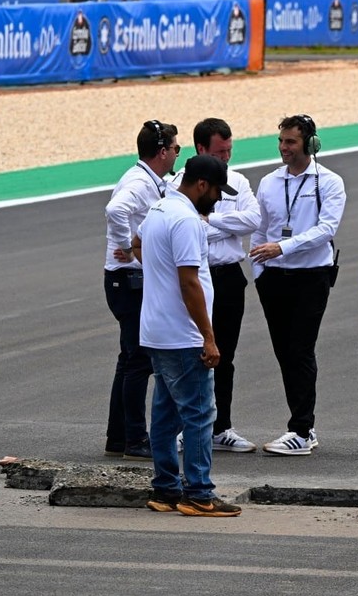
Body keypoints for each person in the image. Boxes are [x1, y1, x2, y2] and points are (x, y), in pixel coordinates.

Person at [135, 154, 241, 517]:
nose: (218, 198)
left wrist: (158, 275)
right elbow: (189, 282)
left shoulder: (159, 210)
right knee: (199, 413)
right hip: (182, 334)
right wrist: (208, 337)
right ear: (201, 185)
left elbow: (136, 244)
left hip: (157, 330)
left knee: (165, 414)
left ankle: (165, 489)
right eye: (216, 191)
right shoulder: (186, 220)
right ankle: (198, 493)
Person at [250, 115, 347, 456]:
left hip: (311, 276)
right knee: (284, 352)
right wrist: (259, 271)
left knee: (300, 350)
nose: (283, 147)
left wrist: (283, 247)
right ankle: (304, 425)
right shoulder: (269, 182)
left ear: (310, 143)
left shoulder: (329, 182)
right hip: (273, 278)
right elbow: (260, 228)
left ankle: (301, 430)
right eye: (281, 141)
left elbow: (326, 229)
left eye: (290, 141)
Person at [169, 118, 260, 453]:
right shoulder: (178, 184)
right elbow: (191, 230)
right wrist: (223, 227)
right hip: (195, 276)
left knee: (225, 355)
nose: (227, 157)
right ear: (201, 149)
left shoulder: (238, 180)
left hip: (230, 276)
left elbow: (254, 220)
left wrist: (212, 220)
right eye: (220, 152)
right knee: (193, 352)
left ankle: (221, 427)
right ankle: (187, 426)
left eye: (229, 150)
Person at [103, 120, 179, 460]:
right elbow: (115, 210)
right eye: (175, 148)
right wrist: (128, 247)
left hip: (125, 279)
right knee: (138, 360)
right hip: (128, 280)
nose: (177, 154)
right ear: (162, 152)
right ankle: (134, 439)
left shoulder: (149, 179)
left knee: (129, 359)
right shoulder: (138, 181)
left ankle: (118, 437)